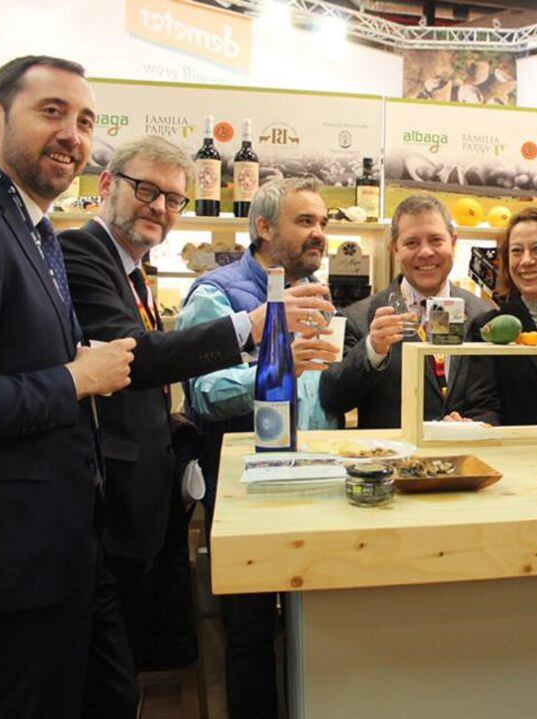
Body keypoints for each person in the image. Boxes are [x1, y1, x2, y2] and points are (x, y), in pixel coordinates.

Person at [59, 137, 330, 716]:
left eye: (175, 199)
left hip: (204, 493)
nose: (160, 207)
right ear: (105, 186)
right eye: (147, 191)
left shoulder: (133, 273)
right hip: (153, 501)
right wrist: (259, 337)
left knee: (122, 673)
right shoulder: (85, 253)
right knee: (230, 638)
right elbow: (170, 377)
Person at [0, 56, 135, 718]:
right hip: (4, 574)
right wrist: (75, 378)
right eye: (51, 111)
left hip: (57, 555)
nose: (72, 135)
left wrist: (73, 364)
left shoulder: (34, 230)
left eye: (84, 121)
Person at [176, 176, 339, 719]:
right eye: (305, 222)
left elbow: (317, 390)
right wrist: (279, 364)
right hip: (244, 493)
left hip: (312, 481)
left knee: (309, 625)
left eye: (322, 222)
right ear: (264, 227)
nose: (319, 234)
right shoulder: (217, 293)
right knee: (248, 631)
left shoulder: (315, 290)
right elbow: (203, 393)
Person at [319, 194, 493, 429]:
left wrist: (475, 423)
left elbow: (492, 402)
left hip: (467, 458)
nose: (425, 252)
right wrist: (372, 350)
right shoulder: (358, 318)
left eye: (436, 240)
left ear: (453, 242)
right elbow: (332, 399)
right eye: (412, 243)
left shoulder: (484, 316)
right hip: (390, 460)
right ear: (394, 248)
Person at [449, 207, 537, 425]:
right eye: (516, 251)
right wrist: (480, 426)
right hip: (517, 452)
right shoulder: (489, 327)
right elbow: (485, 406)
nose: (526, 260)